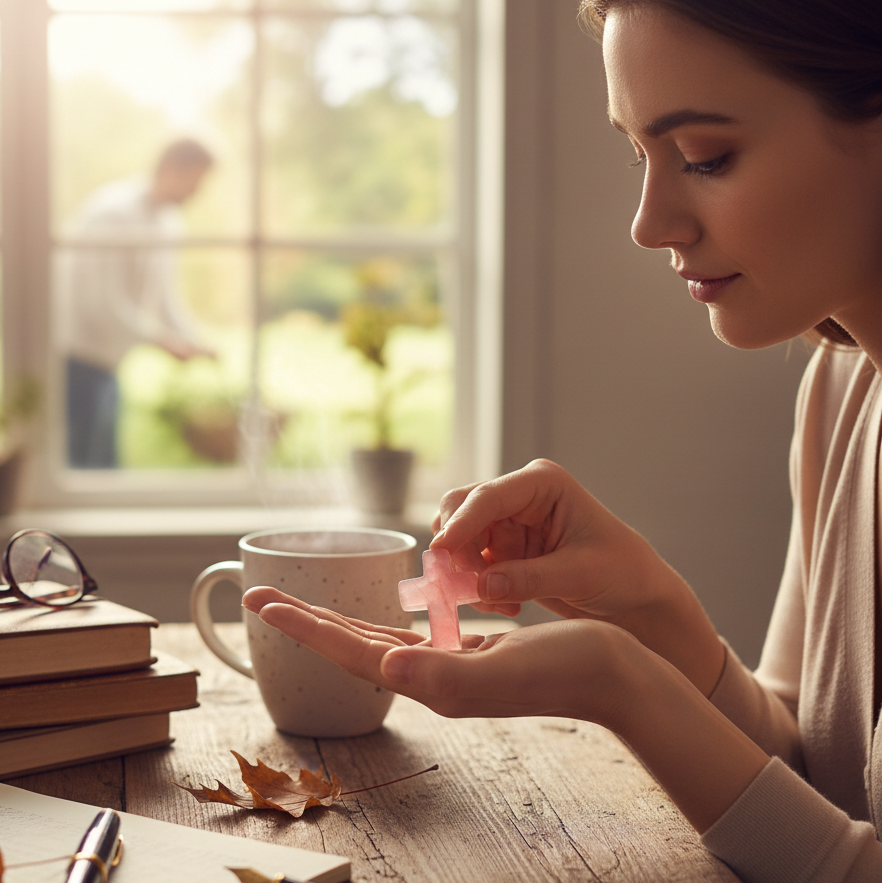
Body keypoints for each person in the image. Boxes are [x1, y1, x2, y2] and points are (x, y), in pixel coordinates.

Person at [243, 1, 882, 879]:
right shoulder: (843, 388)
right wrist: (657, 617)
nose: (649, 222)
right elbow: (815, 771)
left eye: (704, 156)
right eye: (638, 155)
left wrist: (622, 684)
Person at [57, 138, 217, 469]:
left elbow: (164, 299)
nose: (197, 192)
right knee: (82, 467)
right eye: (196, 181)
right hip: (77, 361)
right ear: (172, 169)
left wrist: (193, 339)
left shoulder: (168, 223)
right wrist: (163, 341)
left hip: (110, 365)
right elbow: (101, 303)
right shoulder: (111, 214)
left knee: (104, 468)